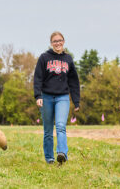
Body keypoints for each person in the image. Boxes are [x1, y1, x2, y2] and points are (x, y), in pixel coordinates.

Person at [33, 31, 80, 165]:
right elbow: (38, 78)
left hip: (63, 97)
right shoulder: (44, 58)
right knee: (48, 130)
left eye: (60, 40)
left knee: (60, 126)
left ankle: (62, 153)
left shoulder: (68, 59)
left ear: (63, 42)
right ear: (51, 43)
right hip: (46, 97)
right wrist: (38, 96)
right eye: (55, 41)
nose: (58, 43)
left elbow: (74, 82)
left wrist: (76, 101)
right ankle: (49, 158)